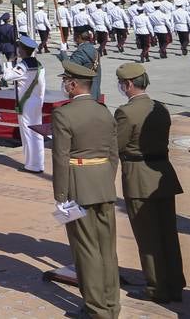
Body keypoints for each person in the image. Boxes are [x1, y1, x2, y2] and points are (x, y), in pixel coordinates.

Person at [52, 61, 121, 318]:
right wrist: (105, 178)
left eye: (65, 81)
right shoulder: (104, 111)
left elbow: (60, 157)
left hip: (78, 187)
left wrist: (60, 196)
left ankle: (96, 309)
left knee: (86, 249)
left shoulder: (64, 114)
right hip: (103, 183)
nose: (64, 85)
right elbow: (113, 154)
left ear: (72, 84)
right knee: (107, 248)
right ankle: (111, 304)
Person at [114, 62, 185, 304]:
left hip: (138, 176)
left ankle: (157, 287)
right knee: (168, 234)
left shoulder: (126, 112)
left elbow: (117, 145)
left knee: (148, 237)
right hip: (163, 174)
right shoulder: (161, 108)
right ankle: (175, 283)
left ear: (129, 85)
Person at [1, 34, 46, 173]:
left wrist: (9, 62)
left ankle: (31, 165)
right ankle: (39, 163)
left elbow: (6, 77)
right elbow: (42, 86)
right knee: (37, 133)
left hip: (26, 103)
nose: (18, 49)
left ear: (23, 50)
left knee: (27, 133)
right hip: (37, 101)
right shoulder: (39, 65)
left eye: (19, 47)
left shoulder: (23, 66)